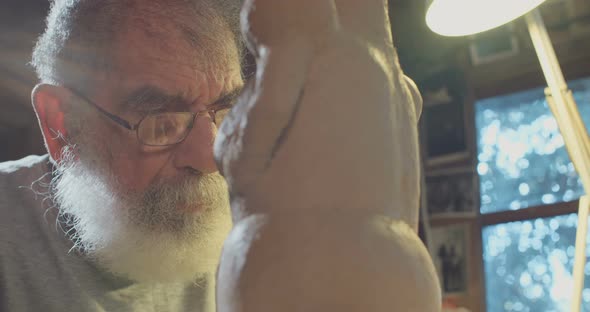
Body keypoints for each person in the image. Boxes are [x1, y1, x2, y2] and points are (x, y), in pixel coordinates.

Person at [1, 0, 243, 311]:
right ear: (60, 124)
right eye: (162, 123)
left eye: (227, 113)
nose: (210, 160)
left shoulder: (253, 229)